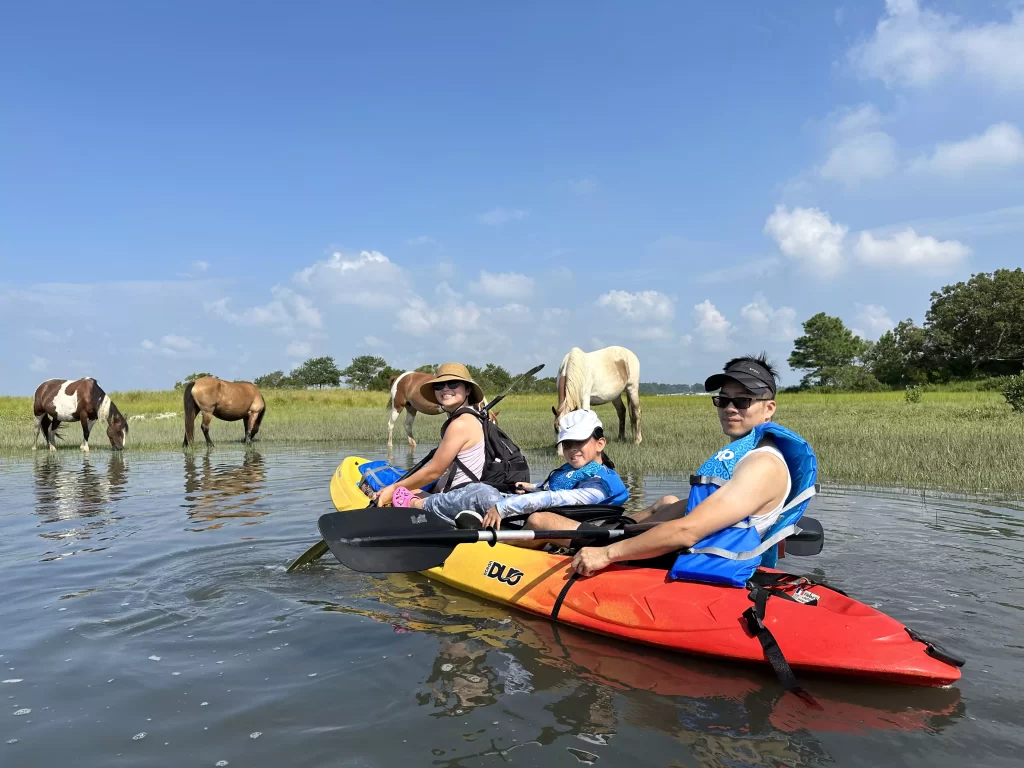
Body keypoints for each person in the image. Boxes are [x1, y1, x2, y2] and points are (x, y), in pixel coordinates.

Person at [526, 354, 816, 587]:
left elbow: (688, 531)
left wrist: (606, 553)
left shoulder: (762, 464)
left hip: (688, 556)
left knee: (541, 520)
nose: (729, 408)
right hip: (686, 547)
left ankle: (503, 566)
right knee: (663, 504)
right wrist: (623, 529)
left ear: (769, 409)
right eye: (723, 399)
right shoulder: (751, 453)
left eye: (742, 401)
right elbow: (688, 511)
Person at [409, 409, 628, 529]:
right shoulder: (585, 470)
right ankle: (454, 514)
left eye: (579, 442)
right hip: (536, 512)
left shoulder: (599, 486)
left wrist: (504, 507)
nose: (572, 450)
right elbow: (552, 490)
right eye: (568, 444)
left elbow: (553, 499)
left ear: (601, 444)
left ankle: (417, 504)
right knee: (483, 490)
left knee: (480, 492)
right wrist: (531, 487)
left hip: (539, 520)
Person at [373, 363, 486, 508]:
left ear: (468, 390)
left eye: (453, 383)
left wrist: (394, 489)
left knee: (398, 493)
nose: (445, 389)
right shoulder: (472, 417)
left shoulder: (460, 424)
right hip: (460, 493)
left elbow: (433, 472)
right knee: (408, 490)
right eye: (439, 386)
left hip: (456, 498)